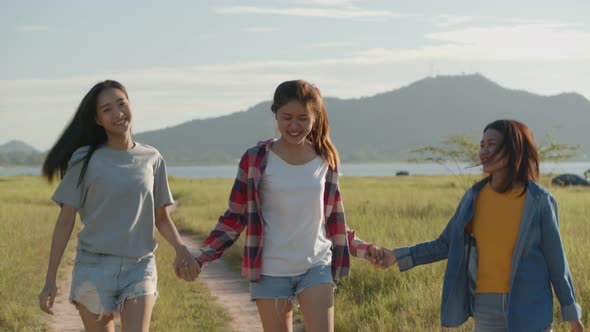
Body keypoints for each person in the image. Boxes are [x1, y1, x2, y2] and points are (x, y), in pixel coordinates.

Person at [192, 79, 380, 332]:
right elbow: (234, 218)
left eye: (303, 118)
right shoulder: (256, 159)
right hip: (270, 268)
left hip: (316, 265)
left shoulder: (326, 160)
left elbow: (334, 222)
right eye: (286, 117)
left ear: (315, 117)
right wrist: (201, 257)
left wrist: (363, 248)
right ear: (276, 116)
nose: (294, 125)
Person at [378, 119, 584, 331]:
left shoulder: (539, 200)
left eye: (491, 144)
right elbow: (445, 244)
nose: (484, 151)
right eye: (482, 145)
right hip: (486, 309)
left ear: (513, 148)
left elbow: (556, 261)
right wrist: (397, 255)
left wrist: (572, 315)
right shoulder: (474, 198)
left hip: (531, 307)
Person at [38, 80, 199, 332]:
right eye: (107, 109)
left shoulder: (152, 158)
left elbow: (161, 217)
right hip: (93, 267)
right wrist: (50, 279)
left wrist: (181, 248)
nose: (118, 113)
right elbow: (65, 220)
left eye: (121, 104)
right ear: (98, 119)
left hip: (139, 267)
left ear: (130, 105)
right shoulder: (84, 160)